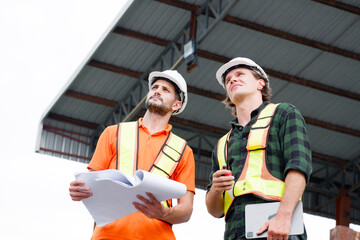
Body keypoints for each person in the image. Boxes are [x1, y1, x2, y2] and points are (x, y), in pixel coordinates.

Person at [69, 70, 195, 240]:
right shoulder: (113, 133)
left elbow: (186, 210)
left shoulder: (183, 151)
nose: (157, 90)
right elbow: (93, 187)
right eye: (155, 87)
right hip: (108, 236)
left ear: (176, 105)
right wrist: (80, 191)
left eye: (166, 90)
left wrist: (165, 212)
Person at [205, 57, 312, 240]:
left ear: (260, 83)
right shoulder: (223, 144)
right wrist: (215, 189)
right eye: (228, 80)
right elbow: (215, 211)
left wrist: (283, 217)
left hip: (278, 231)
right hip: (235, 234)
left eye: (240, 74)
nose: (232, 80)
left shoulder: (283, 114)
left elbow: (299, 166)